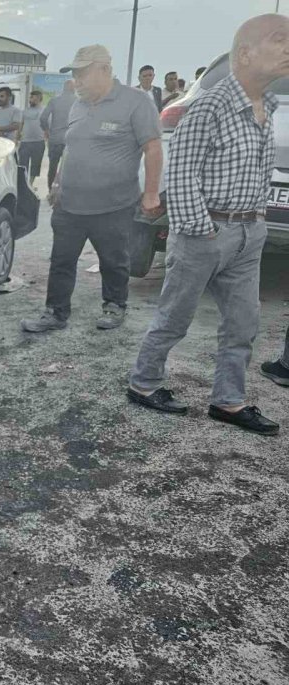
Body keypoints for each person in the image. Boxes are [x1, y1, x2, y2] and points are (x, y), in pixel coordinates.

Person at [129, 14, 289, 436]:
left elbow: (256, 172)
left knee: (243, 323)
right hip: (206, 232)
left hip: (248, 234)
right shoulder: (209, 106)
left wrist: (254, 224)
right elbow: (180, 175)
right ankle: (143, 384)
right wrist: (203, 231)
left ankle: (228, 401)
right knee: (175, 317)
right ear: (246, 53)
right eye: (280, 40)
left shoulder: (266, 108)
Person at [21, 44, 162, 333]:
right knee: (61, 260)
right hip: (71, 203)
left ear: (106, 70)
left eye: (83, 73)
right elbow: (71, 149)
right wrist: (58, 182)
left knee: (114, 260)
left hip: (114, 204)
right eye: (75, 74)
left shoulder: (135, 101)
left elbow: (153, 148)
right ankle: (55, 313)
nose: (78, 80)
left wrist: (150, 193)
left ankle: (114, 305)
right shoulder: (78, 104)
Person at [40, 80, 75, 193]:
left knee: (52, 167)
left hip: (54, 139)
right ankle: (64, 192)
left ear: (63, 88)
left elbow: (43, 118)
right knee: (68, 168)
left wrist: (46, 130)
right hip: (70, 141)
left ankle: (51, 191)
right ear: (73, 88)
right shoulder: (78, 102)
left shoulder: (54, 101)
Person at [18, 90, 46, 186]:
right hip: (25, 142)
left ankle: (30, 184)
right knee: (22, 165)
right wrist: (17, 136)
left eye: (33, 97)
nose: (31, 99)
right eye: (30, 97)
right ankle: (24, 184)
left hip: (39, 142)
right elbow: (21, 124)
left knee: (35, 165)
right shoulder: (25, 111)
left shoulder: (44, 110)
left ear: (39, 98)